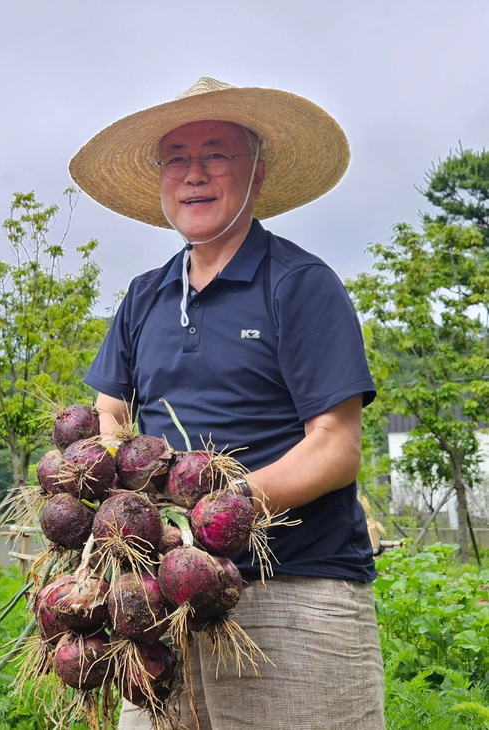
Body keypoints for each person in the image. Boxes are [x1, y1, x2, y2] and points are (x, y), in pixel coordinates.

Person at [69, 77, 385, 729]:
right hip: (164, 606)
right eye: (176, 159)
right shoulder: (144, 297)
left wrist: (211, 520)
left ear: (257, 174)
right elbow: (111, 415)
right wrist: (117, 518)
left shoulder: (299, 285)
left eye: (216, 154)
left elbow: (335, 446)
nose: (194, 175)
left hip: (292, 592)